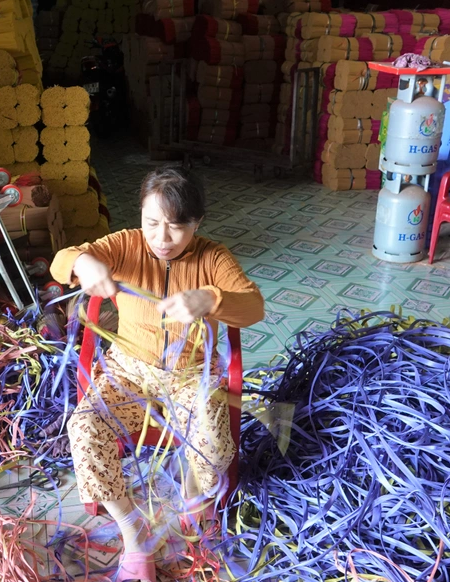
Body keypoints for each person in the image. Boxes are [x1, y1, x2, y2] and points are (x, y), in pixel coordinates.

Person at [50, 166, 265, 582]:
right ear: (141, 216)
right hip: (128, 372)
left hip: (189, 377)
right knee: (84, 427)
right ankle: (134, 530)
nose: (162, 238)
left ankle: (193, 499)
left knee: (215, 445)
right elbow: (62, 261)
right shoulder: (126, 244)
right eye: (152, 222)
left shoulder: (213, 257)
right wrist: (82, 261)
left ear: (197, 223)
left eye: (177, 227)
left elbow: (253, 307)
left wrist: (211, 298)